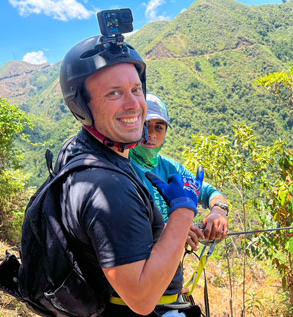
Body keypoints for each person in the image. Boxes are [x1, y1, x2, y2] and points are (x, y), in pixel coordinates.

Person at [57, 35, 202, 316]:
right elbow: (142, 297)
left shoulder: (81, 151)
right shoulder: (107, 187)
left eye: (136, 89)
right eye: (113, 93)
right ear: (81, 107)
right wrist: (184, 212)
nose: (133, 104)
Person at [129, 93, 229, 251]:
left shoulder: (171, 168)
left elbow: (209, 192)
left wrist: (219, 211)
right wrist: (171, 231)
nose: (152, 134)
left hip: (169, 262)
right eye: (146, 126)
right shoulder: (121, 167)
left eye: (159, 127)